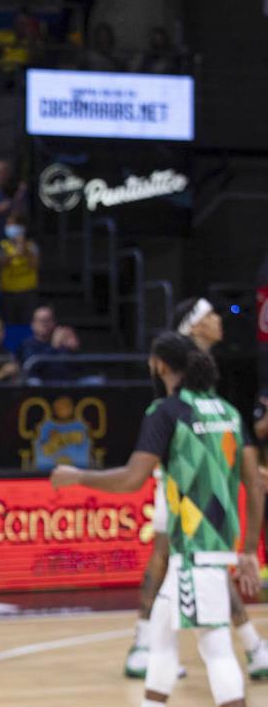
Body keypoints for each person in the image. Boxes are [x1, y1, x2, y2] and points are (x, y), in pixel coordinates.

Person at [51, 333, 262, 707]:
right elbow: (255, 485)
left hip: (195, 549)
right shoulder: (229, 412)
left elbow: (134, 478)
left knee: (215, 649)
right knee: (161, 641)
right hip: (209, 550)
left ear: (160, 365)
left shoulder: (165, 412)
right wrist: (247, 550)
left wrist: (78, 477)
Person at [120, 300, 268, 681]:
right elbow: (173, 417)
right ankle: (144, 643)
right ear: (194, 325)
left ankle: (158, 647)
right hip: (181, 472)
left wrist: (243, 462)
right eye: (211, 315)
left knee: (201, 561)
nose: (220, 320)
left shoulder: (207, 370)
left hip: (206, 474)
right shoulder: (176, 363)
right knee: (169, 551)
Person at [0, 214, 40, 325]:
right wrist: (15, 253)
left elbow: (35, 265)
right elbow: (0, 264)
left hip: (28, 292)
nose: (11, 227)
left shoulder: (31, 245)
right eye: (9, 224)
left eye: (15, 224)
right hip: (8, 292)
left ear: (23, 227)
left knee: (27, 324)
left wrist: (24, 250)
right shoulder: (2, 245)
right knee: (9, 324)